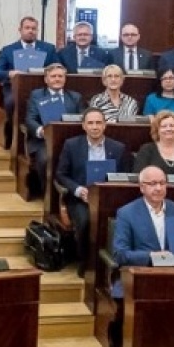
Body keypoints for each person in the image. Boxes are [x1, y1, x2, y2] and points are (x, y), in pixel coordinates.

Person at [55, 109, 130, 258]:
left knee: (119, 221)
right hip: (81, 200)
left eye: (98, 123)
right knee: (85, 221)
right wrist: (78, 190)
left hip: (110, 199)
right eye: (90, 123)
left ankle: (111, 260)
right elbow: (61, 174)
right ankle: (85, 261)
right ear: (84, 126)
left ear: (104, 125)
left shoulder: (118, 148)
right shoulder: (71, 145)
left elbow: (125, 175)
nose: (95, 127)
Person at [111, 167, 174, 293]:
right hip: (139, 278)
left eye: (162, 183)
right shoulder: (126, 213)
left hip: (173, 278)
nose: (158, 188)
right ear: (142, 187)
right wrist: (152, 256)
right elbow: (120, 255)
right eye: (153, 184)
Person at [0, 17, 53, 145]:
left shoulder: (48, 49)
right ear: (20, 30)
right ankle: (11, 129)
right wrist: (10, 73)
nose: (31, 31)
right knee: (11, 102)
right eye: (27, 28)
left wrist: (48, 72)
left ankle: (43, 135)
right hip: (14, 89)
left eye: (34, 28)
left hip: (42, 88)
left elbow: (59, 67)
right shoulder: (8, 50)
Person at [25, 63, 82, 194]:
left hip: (70, 141)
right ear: (46, 79)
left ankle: (70, 194)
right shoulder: (37, 95)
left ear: (65, 79)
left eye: (60, 76)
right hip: (44, 142)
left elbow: (83, 118)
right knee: (45, 160)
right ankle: (48, 194)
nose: (57, 79)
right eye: (53, 76)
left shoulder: (75, 97)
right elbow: (30, 119)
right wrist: (41, 131)